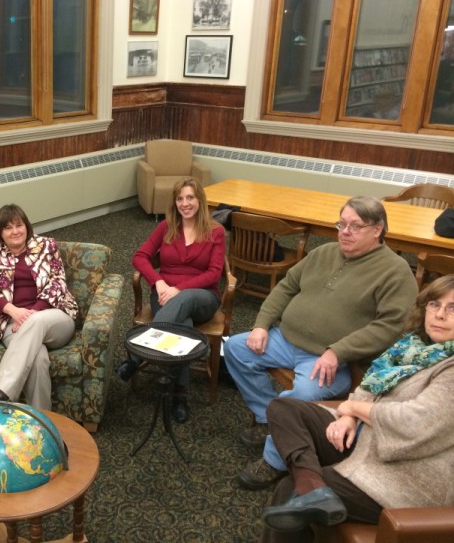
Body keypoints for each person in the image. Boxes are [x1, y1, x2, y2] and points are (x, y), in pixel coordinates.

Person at [224, 196, 418, 489]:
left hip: (328, 358)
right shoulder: (324, 252)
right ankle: (270, 419)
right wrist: (261, 325)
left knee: (302, 393)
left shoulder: (395, 271)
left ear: (378, 229)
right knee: (237, 349)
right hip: (284, 338)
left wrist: (337, 351)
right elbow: (287, 286)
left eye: (355, 226)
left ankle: (274, 458)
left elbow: (389, 326)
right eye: (342, 224)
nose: (345, 232)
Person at [260, 274, 454, 541]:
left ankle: (307, 488)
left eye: (453, 308)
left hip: (407, 474)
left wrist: (352, 408)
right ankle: (313, 489)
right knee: (284, 408)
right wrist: (349, 417)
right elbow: (369, 387)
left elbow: (413, 423)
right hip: (367, 438)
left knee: (287, 488)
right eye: (434, 304)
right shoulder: (414, 347)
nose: (440, 315)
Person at [118, 177, 225, 423]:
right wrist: (158, 282)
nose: (185, 203)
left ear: (200, 200)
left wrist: (179, 288)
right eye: (180, 199)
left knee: (186, 299)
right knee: (182, 328)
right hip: (165, 296)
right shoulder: (166, 227)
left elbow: (213, 274)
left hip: (203, 297)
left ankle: (136, 356)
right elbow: (140, 256)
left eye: (190, 198)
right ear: (174, 202)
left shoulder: (215, 232)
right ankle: (180, 396)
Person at [0, 204, 78, 409]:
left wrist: (34, 311)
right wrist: (12, 310)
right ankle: (41, 421)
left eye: (19, 225)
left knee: (37, 320)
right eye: (8, 228)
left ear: (27, 226)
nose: (15, 231)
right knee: (38, 360)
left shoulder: (47, 246)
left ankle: (2, 392)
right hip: (13, 323)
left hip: (55, 317)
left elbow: (58, 282)